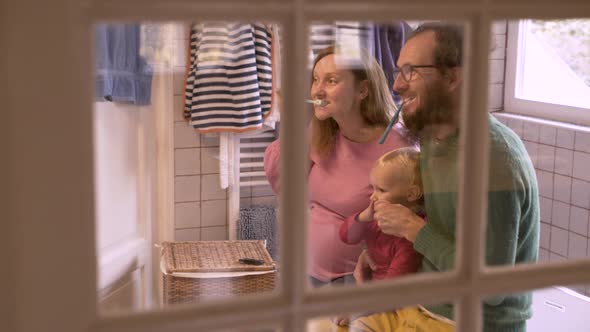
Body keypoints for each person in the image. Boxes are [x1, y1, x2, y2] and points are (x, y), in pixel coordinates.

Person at [351, 23, 540, 332]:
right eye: (398, 71)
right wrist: (378, 252)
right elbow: (436, 226)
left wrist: (414, 230)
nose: (397, 85)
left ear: (453, 77)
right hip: (423, 307)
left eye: (411, 71)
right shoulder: (433, 138)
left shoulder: (492, 159)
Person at [264, 46, 413, 288]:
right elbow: (283, 179)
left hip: (357, 281)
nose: (317, 90)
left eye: (331, 80)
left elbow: (405, 226)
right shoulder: (324, 133)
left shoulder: (397, 146)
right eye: (315, 80)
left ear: (362, 90)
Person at [339, 147, 423, 283]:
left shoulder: (408, 238)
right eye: (373, 187)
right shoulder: (376, 217)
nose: (373, 196)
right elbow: (346, 236)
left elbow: (393, 284)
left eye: (381, 190)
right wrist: (363, 217)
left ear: (411, 194)